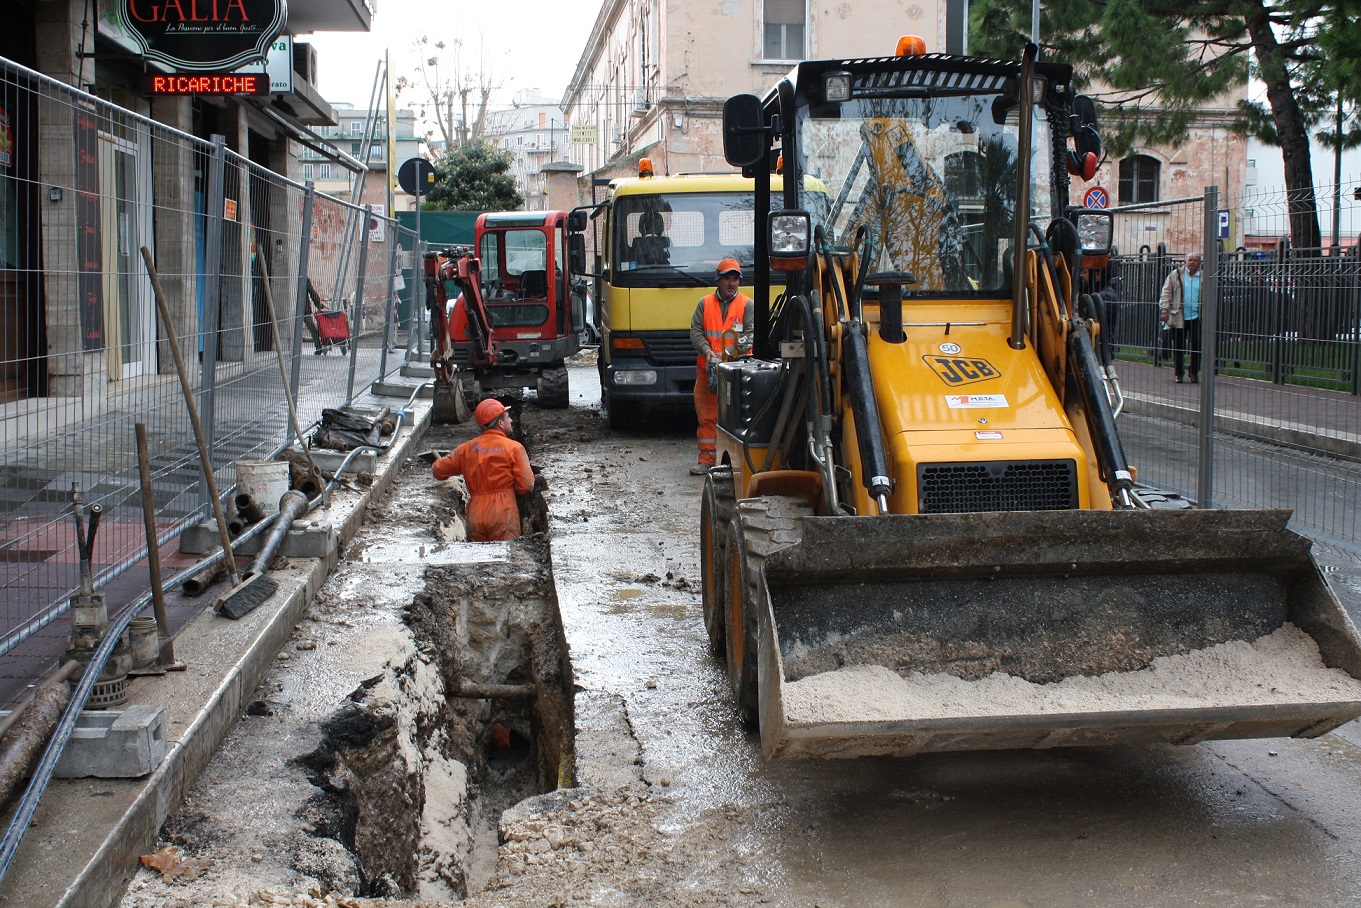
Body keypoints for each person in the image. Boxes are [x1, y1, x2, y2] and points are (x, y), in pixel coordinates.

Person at [432, 399, 535, 541]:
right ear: (500, 423)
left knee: (478, 559)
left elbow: (439, 470)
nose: (511, 420)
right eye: (507, 417)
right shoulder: (514, 448)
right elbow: (526, 485)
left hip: (475, 512)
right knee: (507, 558)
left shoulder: (466, 449)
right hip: (503, 510)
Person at [689, 259, 754, 475]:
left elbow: (751, 335)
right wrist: (708, 352)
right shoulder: (704, 304)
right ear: (718, 280)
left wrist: (730, 354)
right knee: (707, 416)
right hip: (709, 371)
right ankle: (707, 459)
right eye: (727, 278)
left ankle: (734, 465)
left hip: (737, 372)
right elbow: (696, 332)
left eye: (735, 279)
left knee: (738, 418)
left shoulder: (747, 305)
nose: (731, 283)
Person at [1158, 252, 1203, 383]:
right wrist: (1164, 310)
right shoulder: (1175, 275)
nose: (1192, 262)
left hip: (1196, 316)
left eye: (1195, 260)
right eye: (1190, 260)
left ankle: (1194, 372)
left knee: (1197, 344)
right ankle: (1178, 373)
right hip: (1179, 316)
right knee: (1179, 346)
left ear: (1199, 262)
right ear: (1185, 262)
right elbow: (1166, 293)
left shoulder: (1203, 276)